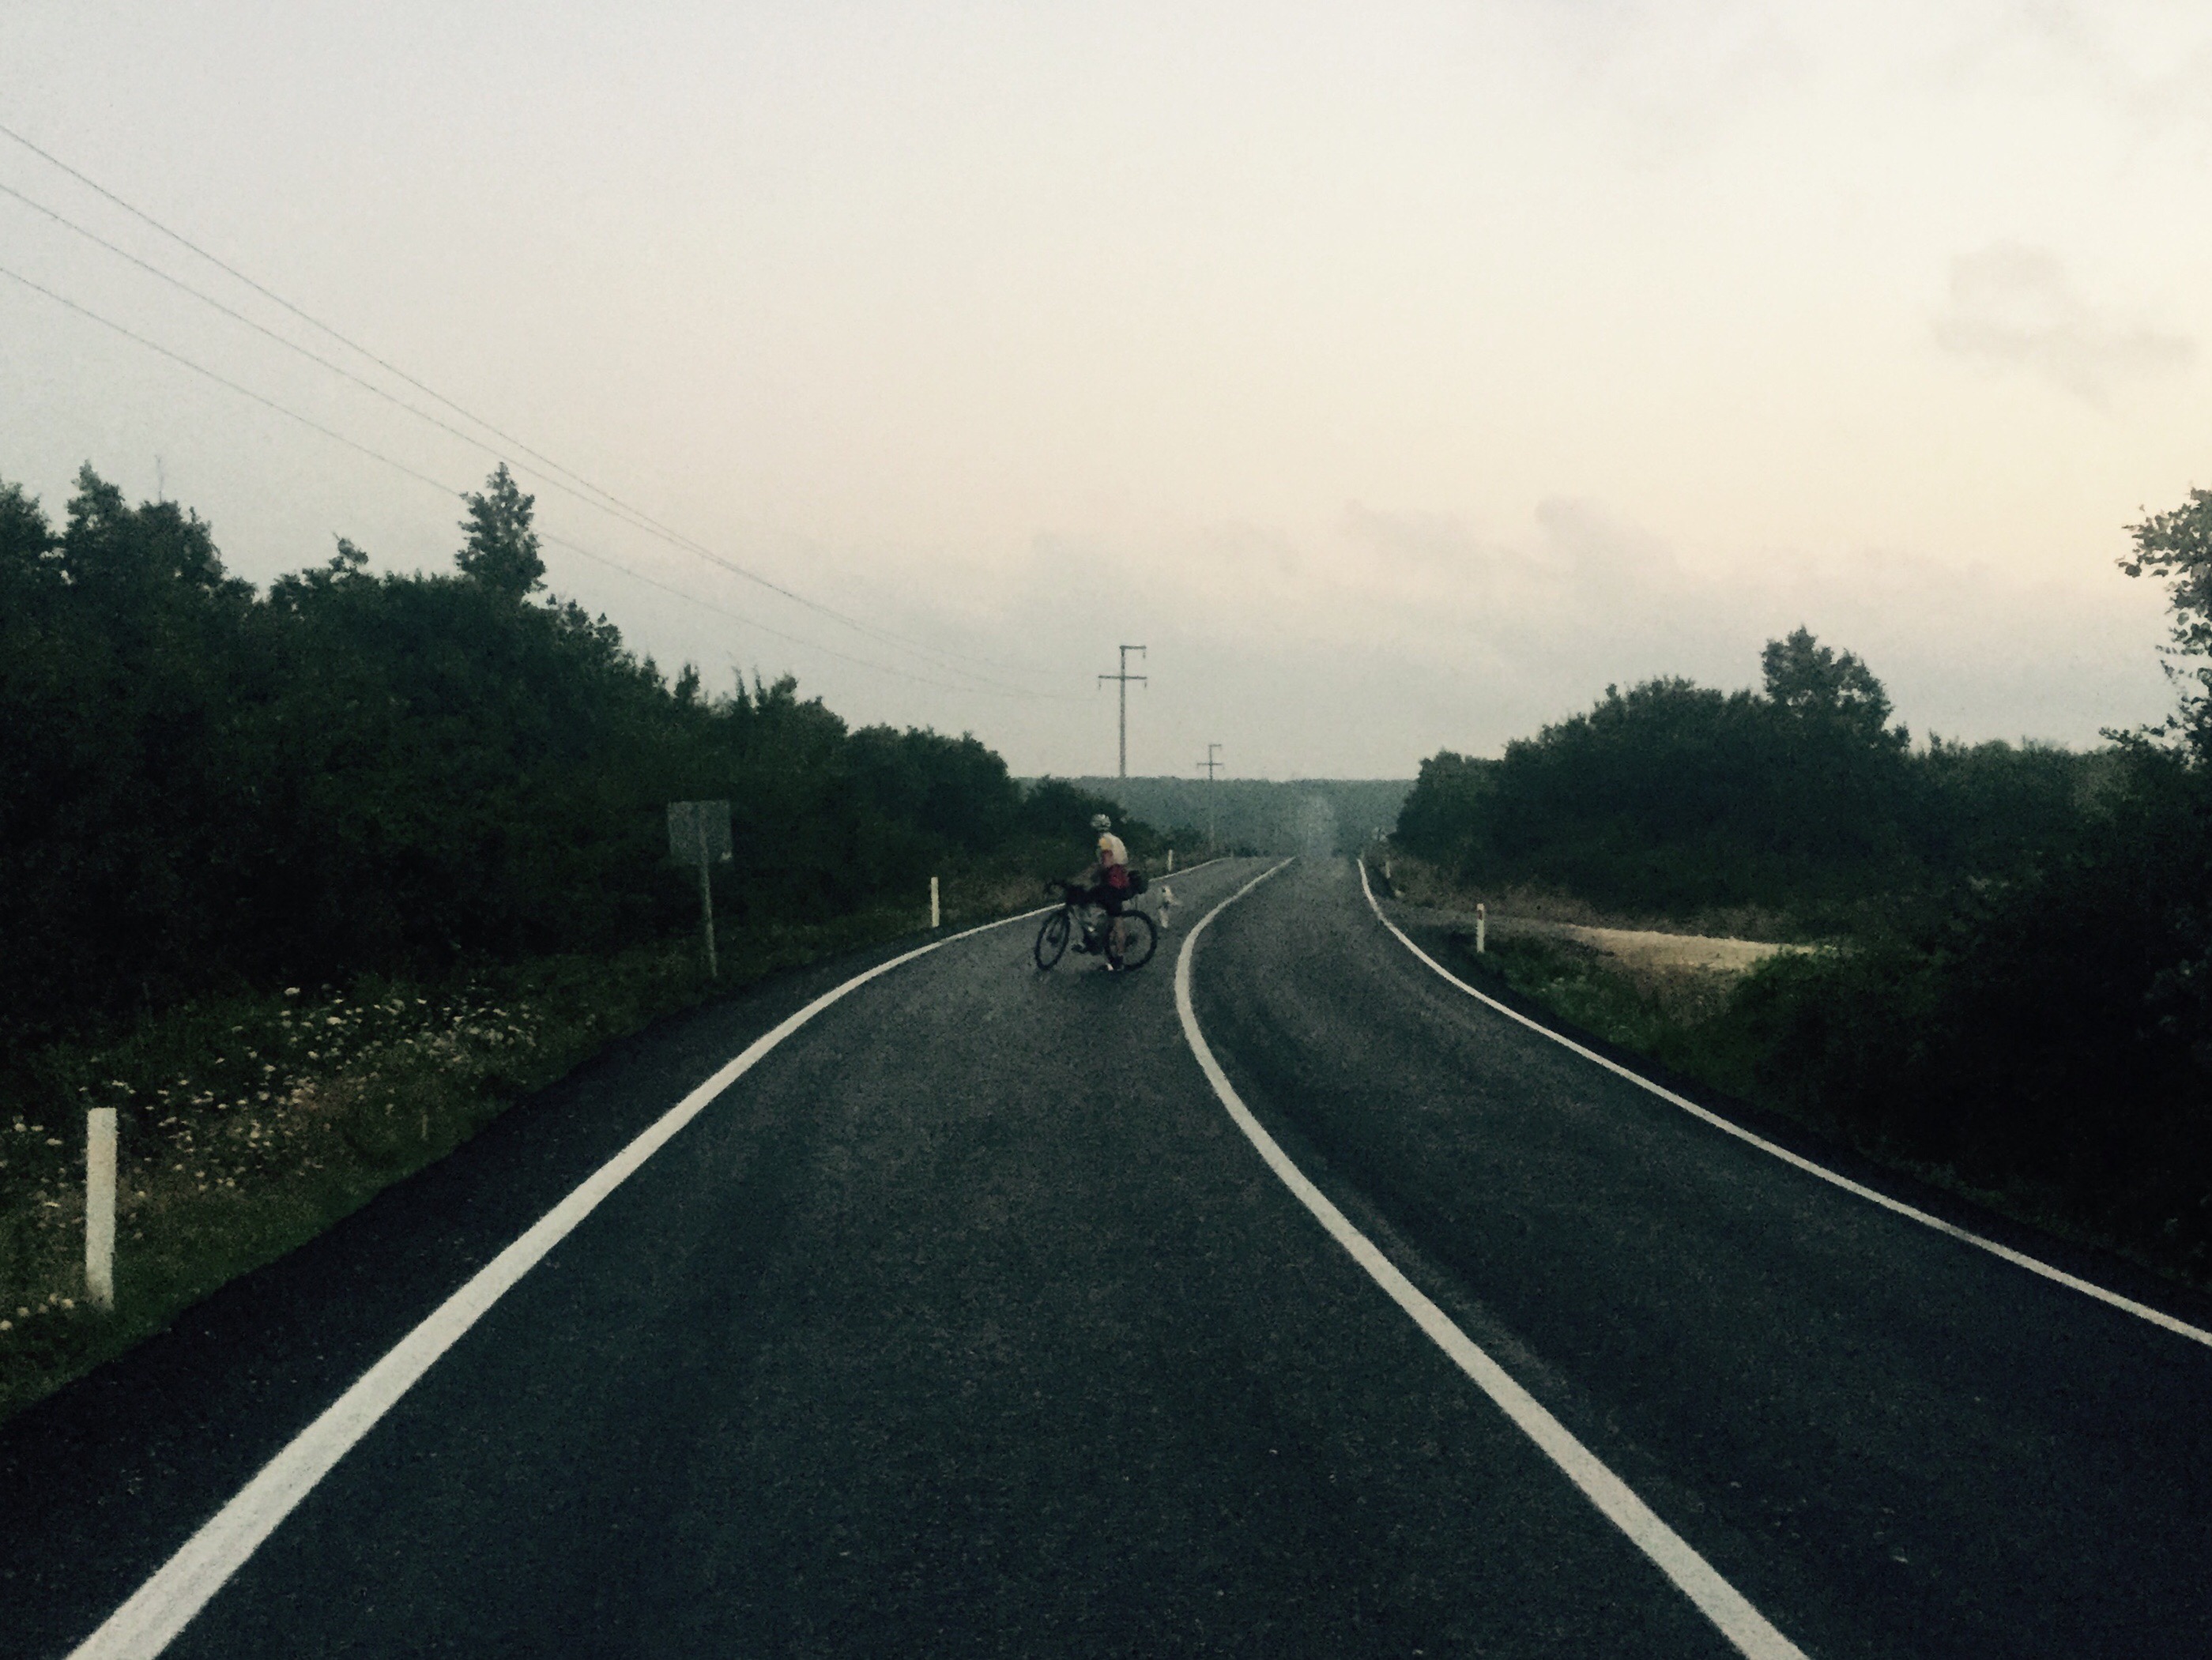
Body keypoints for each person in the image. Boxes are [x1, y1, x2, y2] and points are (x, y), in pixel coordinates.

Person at [1073, 813, 1132, 962]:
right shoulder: (1116, 839)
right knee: (1115, 918)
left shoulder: (1104, 841)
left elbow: (1107, 862)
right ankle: (1118, 957)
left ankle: (1090, 937)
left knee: (1081, 903)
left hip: (1111, 884)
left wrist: (1094, 875)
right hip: (1122, 883)